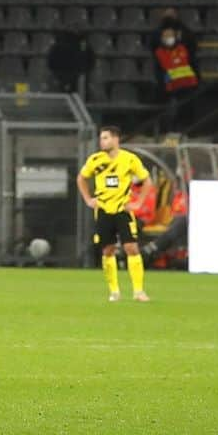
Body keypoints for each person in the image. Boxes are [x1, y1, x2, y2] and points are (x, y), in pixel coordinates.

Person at [76, 125, 152, 303]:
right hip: (103, 210)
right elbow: (81, 178)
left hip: (122, 210)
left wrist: (138, 202)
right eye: (101, 138)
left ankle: (138, 291)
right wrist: (88, 199)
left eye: (106, 138)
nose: (102, 141)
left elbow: (147, 180)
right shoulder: (95, 160)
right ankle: (114, 291)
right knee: (108, 250)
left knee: (131, 248)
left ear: (116, 139)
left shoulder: (129, 159)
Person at [148, 10, 200, 132]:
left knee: (186, 108)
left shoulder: (184, 48)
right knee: (163, 108)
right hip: (167, 83)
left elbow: (192, 48)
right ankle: (163, 130)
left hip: (185, 84)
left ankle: (184, 130)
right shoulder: (159, 51)